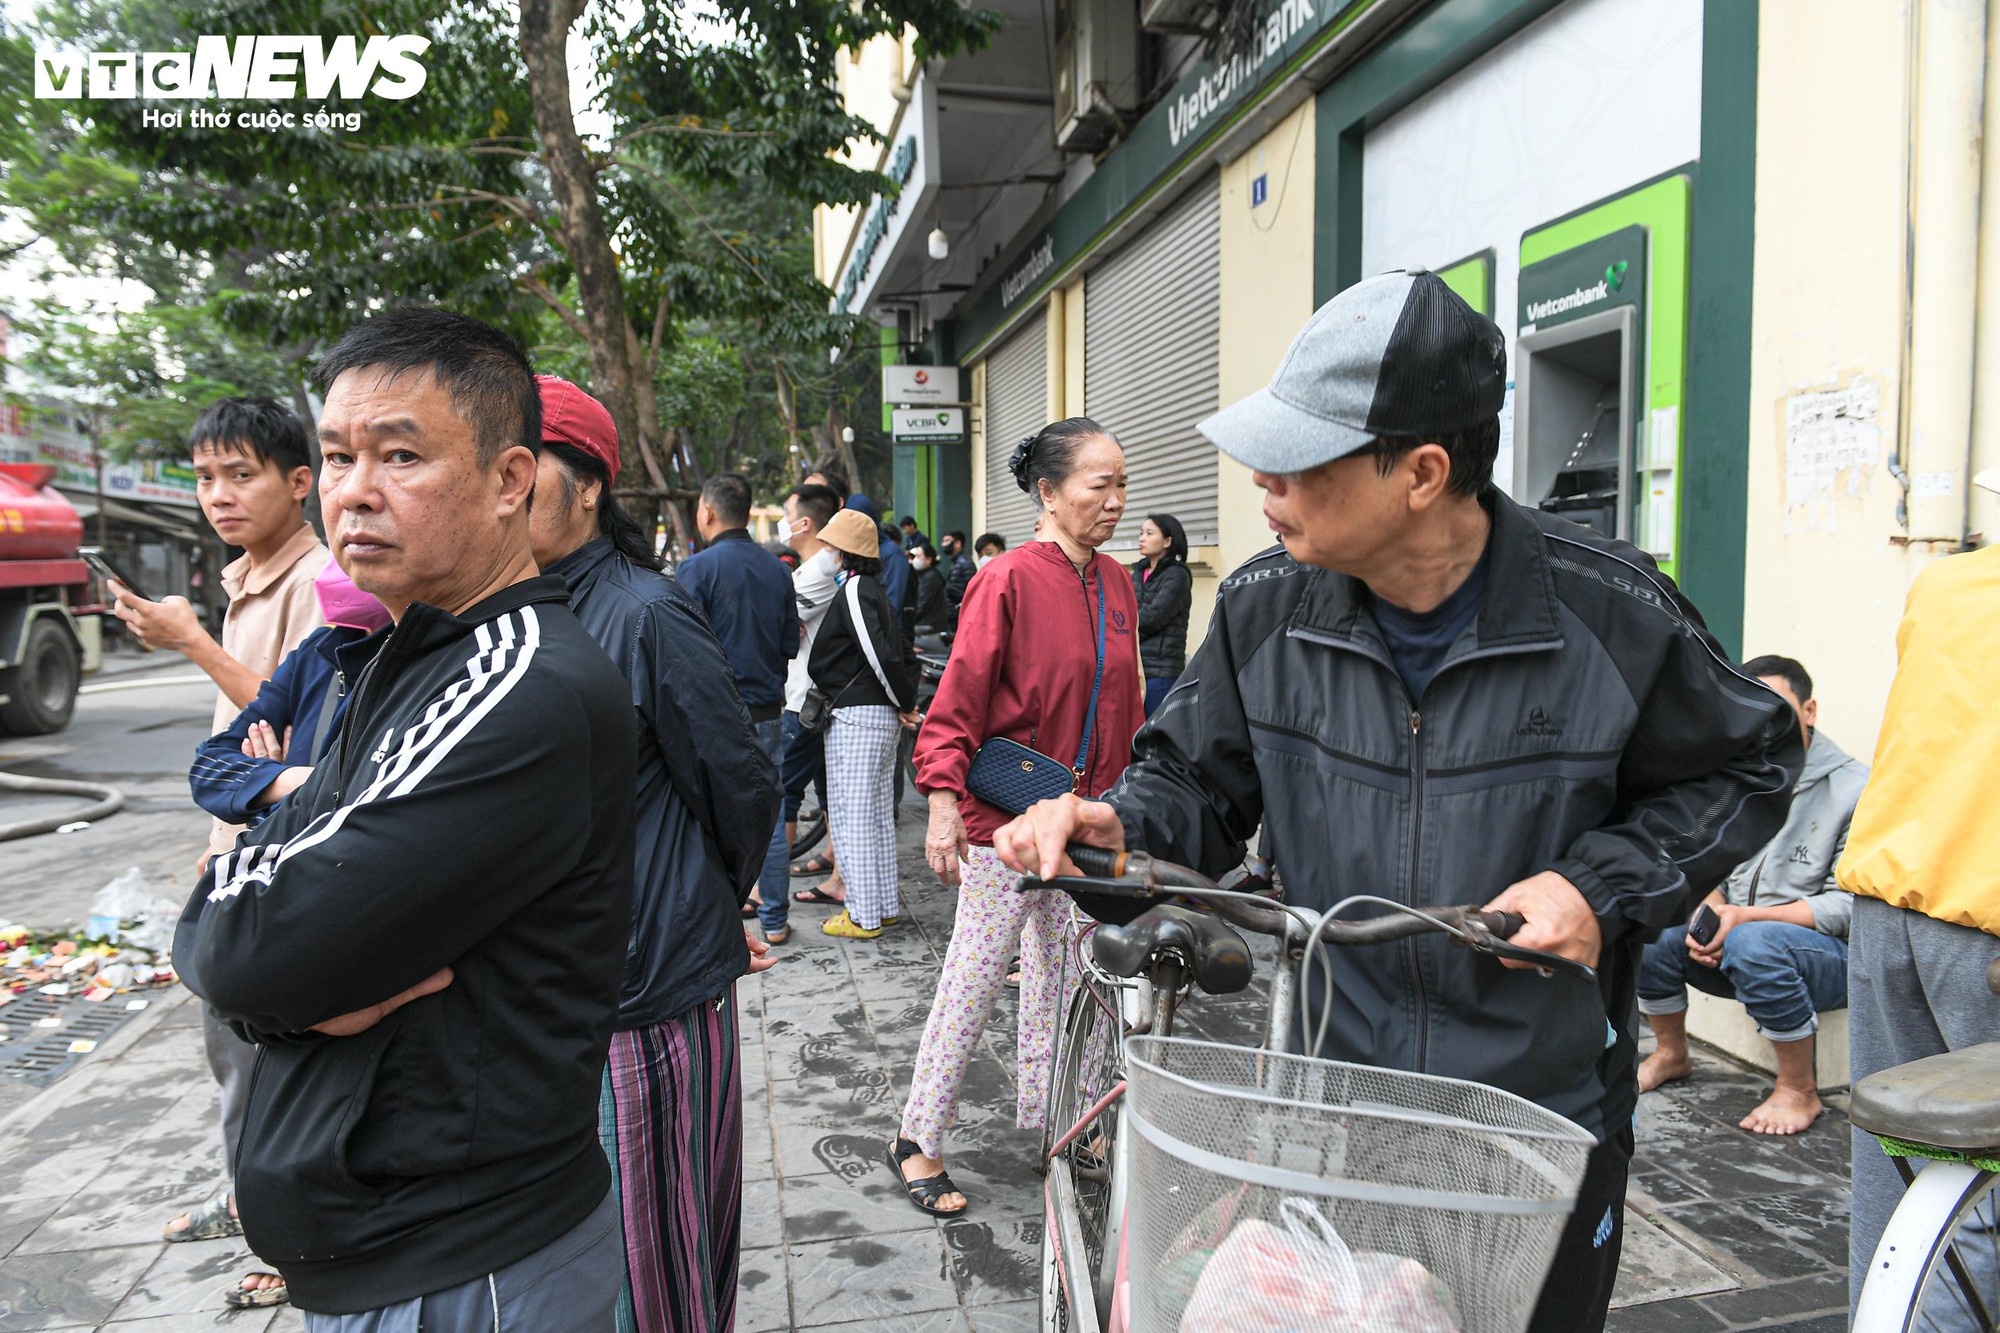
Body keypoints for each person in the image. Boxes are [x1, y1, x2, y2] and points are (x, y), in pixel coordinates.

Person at [992, 271, 1803, 1333]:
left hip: (1537, 1118)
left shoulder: (1609, 610)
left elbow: (1748, 763)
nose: (1259, 482)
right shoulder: (1259, 609)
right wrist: (1116, 828)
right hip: (1337, 1107)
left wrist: (1593, 887)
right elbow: (1189, 782)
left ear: (1421, 473)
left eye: (1297, 457)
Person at [174, 308, 638, 1328]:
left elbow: (244, 941)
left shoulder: (516, 686)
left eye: (400, 454)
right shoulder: (404, 656)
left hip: (462, 1262)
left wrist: (267, 962)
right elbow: (261, 915)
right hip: (397, 1248)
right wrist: (292, 983)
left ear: (511, 479)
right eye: (337, 456)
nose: (353, 491)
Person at [527, 377, 780, 1333]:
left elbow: (739, 784)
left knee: (654, 1259)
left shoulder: (642, 611)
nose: (504, 490)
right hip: (558, 991)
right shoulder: (523, 608)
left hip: (645, 996)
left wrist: (709, 906)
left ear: (588, 486)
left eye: (528, 467)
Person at [892, 419, 1142, 1216]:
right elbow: (957, 699)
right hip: (1001, 826)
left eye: (1122, 483)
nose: (1115, 500)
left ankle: (1060, 1121)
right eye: (1098, 484)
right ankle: (918, 1136)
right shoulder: (1002, 580)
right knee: (972, 982)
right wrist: (940, 804)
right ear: (1048, 492)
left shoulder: (1121, 583)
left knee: (1071, 988)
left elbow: (1127, 710)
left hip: (1082, 827)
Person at [118, 399, 329, 1308]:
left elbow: (294, 731)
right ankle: (247, 1195)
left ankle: (290, 1234)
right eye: (205, 477)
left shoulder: (319, 582)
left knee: (276, 1056)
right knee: (228, 1049)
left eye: (239, 475)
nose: (217, 495)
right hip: (233, 845)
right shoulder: (247, 578)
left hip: (279, 853)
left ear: (298, 481)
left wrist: (193, 641)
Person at [1839, 474, 2000, 1319]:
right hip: (1986, 926)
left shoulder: (1944, 586)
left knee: (1897, 1171)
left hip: (1891, 906)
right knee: (1987, 1198)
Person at [1636, 654, 1865, 1135]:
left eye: (1778, 706)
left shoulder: (1857, 789)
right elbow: (1715, 867)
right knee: (1654, 923)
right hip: (1741, 940)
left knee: (1753, 942)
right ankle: (1671, 1054)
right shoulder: (1745, 779)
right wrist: (1713, 906)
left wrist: (1746, 920)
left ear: (1810, 710)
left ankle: (1799, 1091)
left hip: (1831, 959)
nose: (1765, 721)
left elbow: (1852, 906)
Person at [680, 471, 801, 945]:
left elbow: (683, 649)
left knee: (707, 812)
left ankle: (720, 915)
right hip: (769, 707)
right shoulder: (777, 568)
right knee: (767, 815)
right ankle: (774, 919)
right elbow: (790, 643)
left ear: (707, 512)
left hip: (714, 712)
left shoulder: (697, 569)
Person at [188, 561, 391, 830]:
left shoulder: (445, 659)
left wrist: (265, 790)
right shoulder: (319, 652)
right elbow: (208, 768)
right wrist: (291, 780)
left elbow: (381, 803)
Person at [807, 507, 918, 939]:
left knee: (853, 818)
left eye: (832, 545)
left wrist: (903, 701)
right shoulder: (875, 589)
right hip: (875, 714)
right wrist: (902, 702)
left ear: (844, 550)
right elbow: (895, 651)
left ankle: (862, 915)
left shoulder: (854, 589)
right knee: (872, 818)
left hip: (858, 715)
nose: (828, 552)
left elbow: (879, 655)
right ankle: (881, 908)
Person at [778, 483, 848, 911]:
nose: (784, 521)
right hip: (814, 695)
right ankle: (838, 873)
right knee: (827, 790)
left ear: (805, 522)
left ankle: (765, 887)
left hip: (805, 698)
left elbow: (781, 620)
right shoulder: (816, 566)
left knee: (781, 788)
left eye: (787, 512)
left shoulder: (823, 566)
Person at [1130, 512, 1193, 717]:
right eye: (1141, 533)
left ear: (1167, 541)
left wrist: (1123, 626)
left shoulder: (1177, 575)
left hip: (1161, 671)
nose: (1142, 538)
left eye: (1149, 533)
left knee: (1153, 735)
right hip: (1135, 667)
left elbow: (1152, 618)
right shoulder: (1138, 572)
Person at [908, 540, 950, 633]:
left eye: (919, 556)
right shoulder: (924, 575)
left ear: (929, 559)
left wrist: (909, 621)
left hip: (929, 626)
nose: (915, 560)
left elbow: (922, 604)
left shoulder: (930, 577)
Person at [939, 530, 976, 626]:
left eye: (947, 541)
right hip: (954, 612)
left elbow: (973, 588)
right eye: (943, 541)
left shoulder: (964, 562)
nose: (944, 544)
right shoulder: (956, 562)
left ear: (958, 543)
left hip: (960, 612)